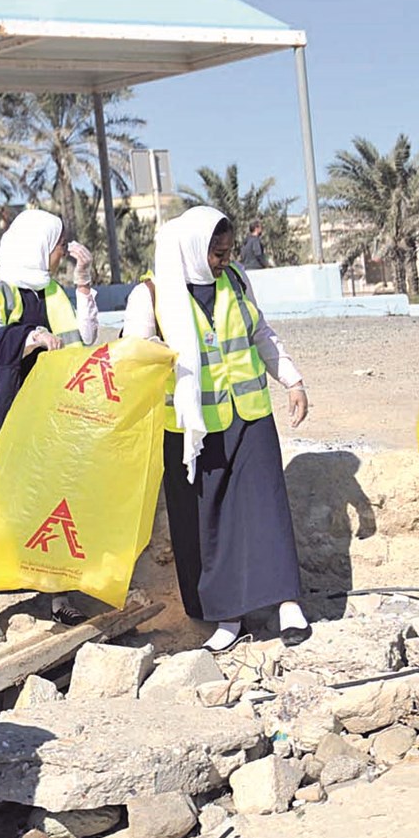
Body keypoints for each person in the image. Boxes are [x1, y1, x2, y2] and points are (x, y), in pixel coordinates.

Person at [122, 207, 313, 650]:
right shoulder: (150, 295)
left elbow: (261, 333)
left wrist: (292, 379)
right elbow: (133, 353)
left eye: (228, 252)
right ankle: (226, 618)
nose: (224, 261)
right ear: (192, 250)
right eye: (217, 254)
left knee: (265, 508)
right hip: (192, 429)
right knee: (208, 523)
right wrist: (157, 348)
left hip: (249, 415)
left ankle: (286, 604)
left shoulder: (237, 280)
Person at [0, 209, 98, 642]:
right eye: (59, 246)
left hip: (52, 412)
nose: (61, 252)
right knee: (9, 505)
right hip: (8, 413)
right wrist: (29, 338)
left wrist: (84, 281)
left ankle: (58, 593)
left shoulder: (50, 290)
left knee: (56, 501)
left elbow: (85, 338)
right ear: (39, 245)